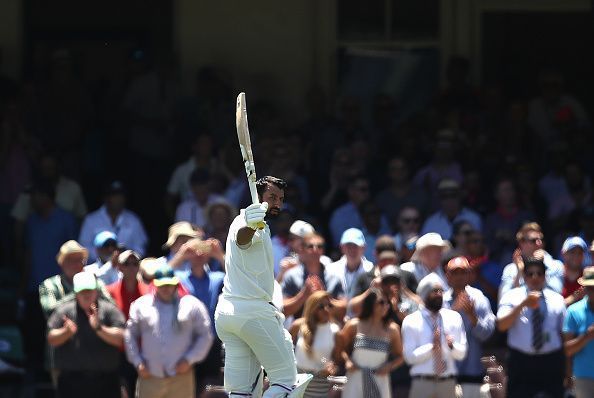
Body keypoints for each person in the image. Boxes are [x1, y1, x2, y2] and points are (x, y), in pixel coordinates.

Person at [214, 176, 312, 397]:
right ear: (256, 197)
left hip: (228, 315)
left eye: (280, 199)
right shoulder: (248, 224)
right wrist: (250, 224)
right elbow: (243, 239)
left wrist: (253, 223)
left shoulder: (258, 225)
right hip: (253, 313)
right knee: (288, 382)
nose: (277, 204)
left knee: (242, 391)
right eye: (272, 197)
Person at [125, 264, 213, 398]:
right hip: (150, 377)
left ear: (176, 284)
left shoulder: (191, 305)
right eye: (162, 285)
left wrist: (190, 359)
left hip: (181, 377)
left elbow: (205, 335)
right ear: (155, 284)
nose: (166, 288)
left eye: (169, 284)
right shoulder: (141, 305)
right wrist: (138, 362)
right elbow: (130, 334)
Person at [47, 271, 126, 398]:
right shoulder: (64, 311)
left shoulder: (109, 310)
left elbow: (121, 339)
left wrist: (99, 329)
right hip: (72, 383)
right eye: (82, 291)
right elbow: (51, 339)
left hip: (106, 382)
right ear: (76, 293)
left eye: (89, 290)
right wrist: (66, 332)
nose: (86, 295)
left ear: (96, 290)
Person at [497, 255, 566, 398]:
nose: (535, 277)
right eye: (530, 274)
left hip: (550, 362)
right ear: (524, 276)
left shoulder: (557, 299)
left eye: (539, 273)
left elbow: (563, 334)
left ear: (545, 276)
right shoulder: (511, 297)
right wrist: (522, 305)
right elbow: (502, 326)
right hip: (521, 362)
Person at [401, 273, 467, 398]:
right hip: (422, 383)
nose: (438, 294)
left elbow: (462, 353)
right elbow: (409, 357)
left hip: (447, 382)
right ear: (424, 295)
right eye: (434, 291)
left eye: (440, 291)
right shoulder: (411, 320)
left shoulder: (453, 317)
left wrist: (452, 346)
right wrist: (432, 347)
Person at [443, 257, 495, 398]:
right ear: (447, 275)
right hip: (447, 373)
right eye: (455, 272)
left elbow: (487, 335)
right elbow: (433, 333)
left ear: (469, 274)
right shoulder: (440, 300)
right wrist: (453, 311)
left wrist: (472, 317)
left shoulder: (480, 299)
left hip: (473, 372)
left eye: (463, 272)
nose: (459, 276)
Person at [339, 287, 403, 398]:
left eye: (387, 303)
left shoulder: (392, 330)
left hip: (380, 380)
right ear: (371, 304)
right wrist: (347, 361)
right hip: (355, 379)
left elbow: (401, 356)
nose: (385, 306)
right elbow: (340, 348)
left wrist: (389, 367)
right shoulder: (354, 325)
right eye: (381, 302)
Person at [282, 232, 346, 321]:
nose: (315, 250)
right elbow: (283, 310)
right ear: (302, 249)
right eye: (310, 246)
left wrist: (324, 297)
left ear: (323, 251)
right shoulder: (291, 276)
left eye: (319, 246)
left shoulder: (334, 276)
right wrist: (303, 295)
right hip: (301, 330)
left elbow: (343, 309)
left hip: (328, 327)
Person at [78, 181, 148, 262]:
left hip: (126, 267)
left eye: (120, 195)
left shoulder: (134, 220)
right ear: (106, 198)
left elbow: (141, 247)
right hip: (98, 268)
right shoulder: (91, 220)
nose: (118, 199)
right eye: (114, 195)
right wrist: (105, 254)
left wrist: (126, 255)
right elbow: (83, 247)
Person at [289, 291, 341, 398]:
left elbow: (337, 360)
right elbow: (285, 350)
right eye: (321, 306)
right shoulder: (298, 326)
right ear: (312, 308)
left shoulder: (335, 331)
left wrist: (332, 367)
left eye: (329, 305)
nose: (326, 309)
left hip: (320, 386)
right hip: (297, 383)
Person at [499, 222, 564, 300]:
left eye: (541, 239)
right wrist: (520, 272)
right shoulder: (510, 269)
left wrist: (542, 267)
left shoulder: (555, 265)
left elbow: (557, 294)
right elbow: (503, 299)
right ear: (521, 243)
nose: (539, 243)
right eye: (533, 240)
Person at [563, 266, 594, 398]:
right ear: (585, 289)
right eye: (590, 288)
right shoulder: (573, 311)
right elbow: (567, 350)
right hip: (582, 377)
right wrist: (586, 336)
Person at [327, 228, 373, 300]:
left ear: (364, 248)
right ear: (342, 247)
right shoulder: (331, 269)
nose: (352, 250)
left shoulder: (371, 269)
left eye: (355, 246)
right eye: (348, 246)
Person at [561, 236, 589, 307]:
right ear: (563, 254)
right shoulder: (555, 274)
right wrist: (574, 297)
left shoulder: (589, 276)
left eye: (580, 253)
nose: (576, 256)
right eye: (572, 252)